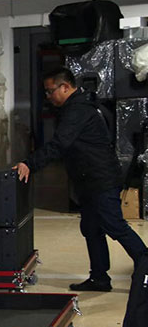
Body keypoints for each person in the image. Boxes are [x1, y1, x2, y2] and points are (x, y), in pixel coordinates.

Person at [14, 67, 147, 292]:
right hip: (89, 180)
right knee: (91, 228)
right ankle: (99, 278)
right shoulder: (80, 106)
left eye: (50, 91)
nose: (48, 96)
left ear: (65, 87)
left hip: (100, 179)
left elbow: (60, 144)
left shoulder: (77, 110)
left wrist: (30, 163)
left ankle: (145, 266)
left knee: (115, 226)